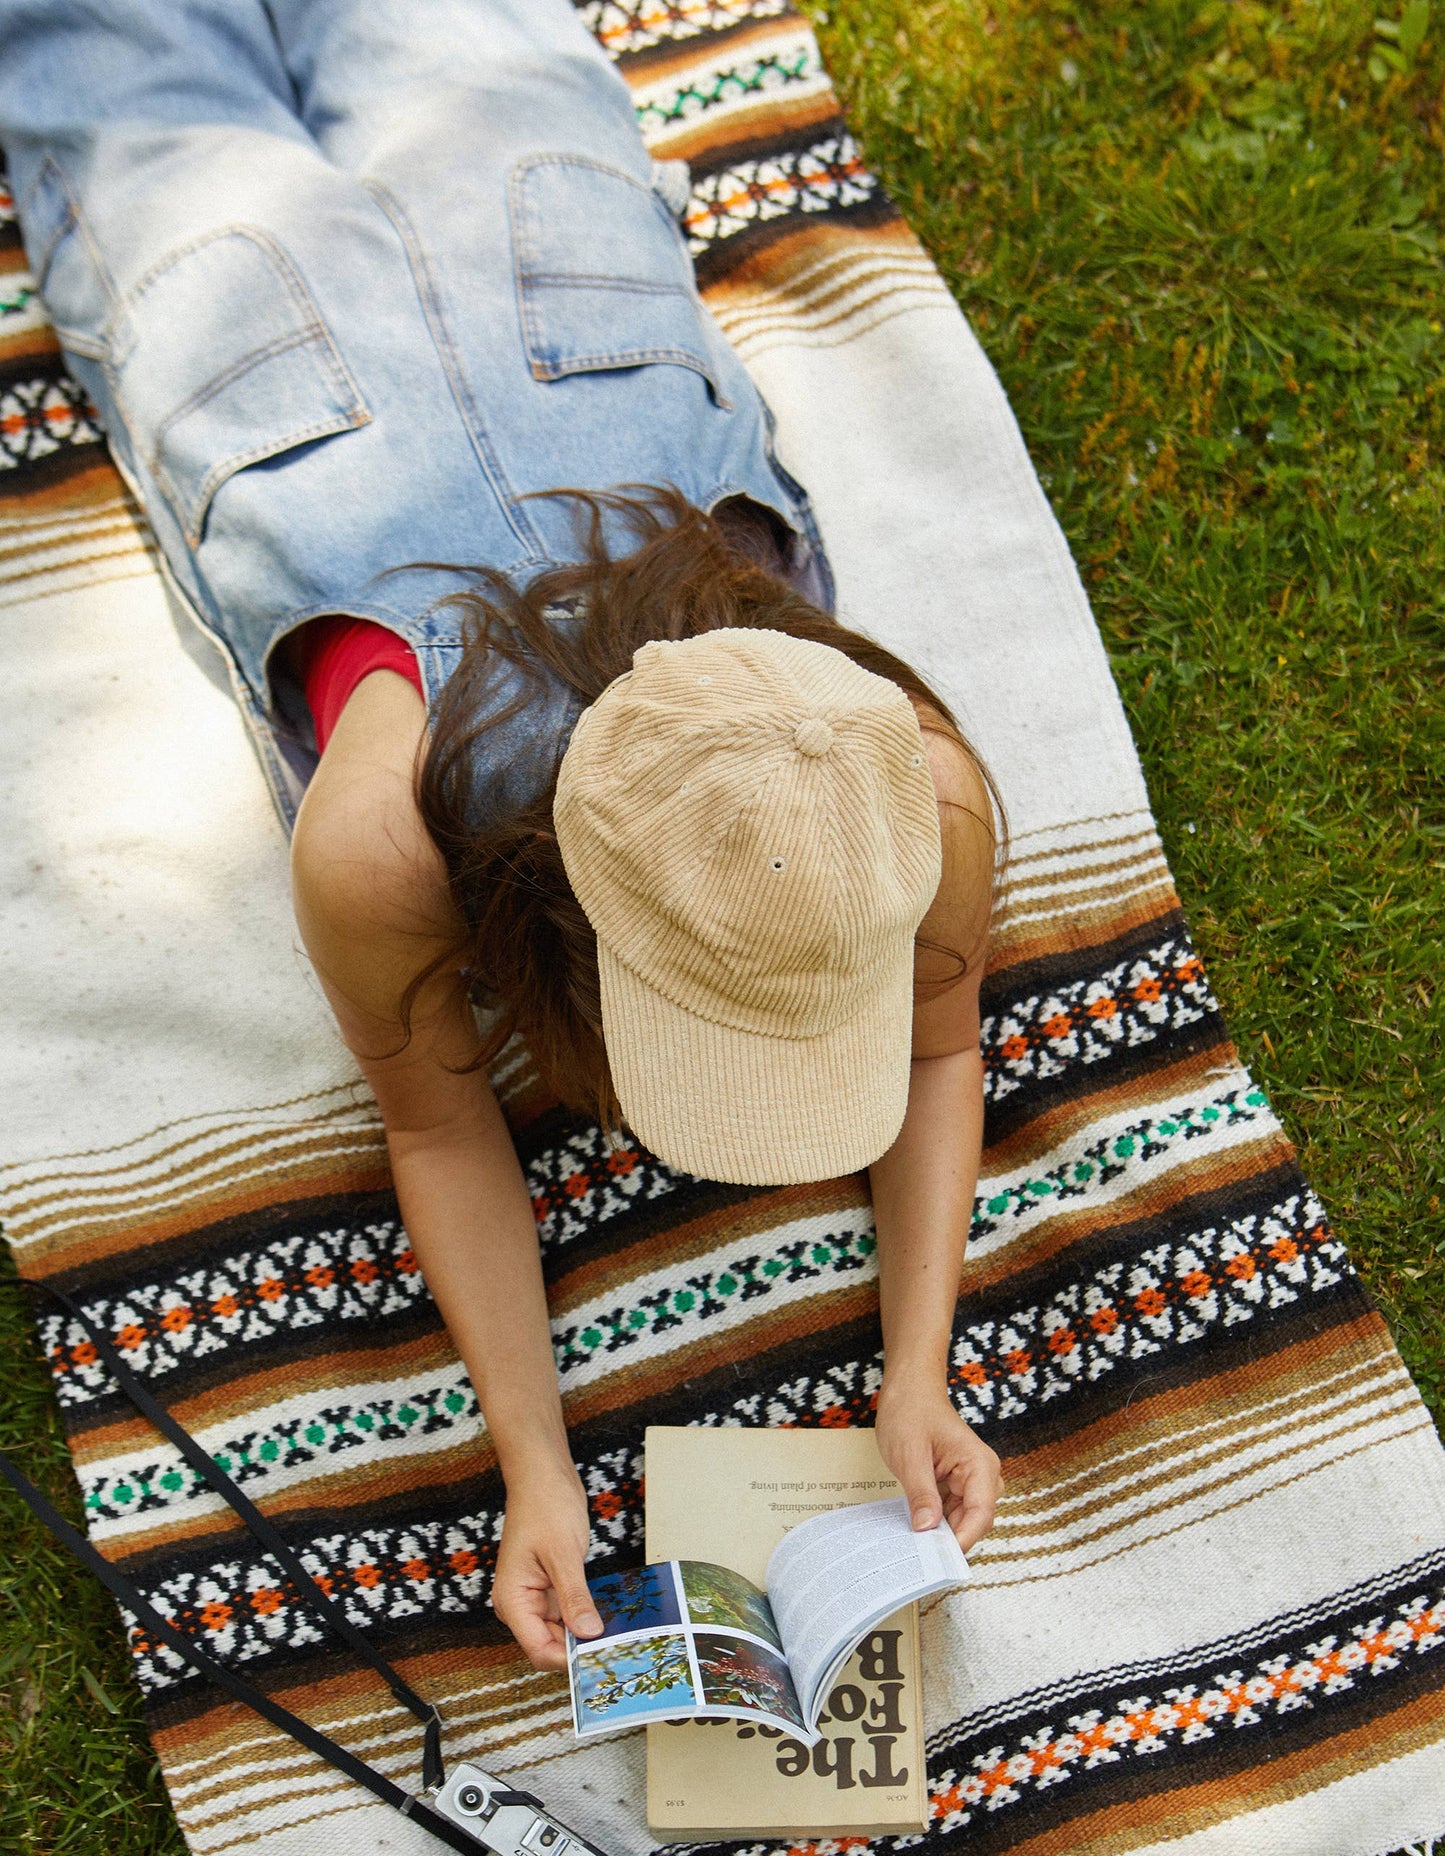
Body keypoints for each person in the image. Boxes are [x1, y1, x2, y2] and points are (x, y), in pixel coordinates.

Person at [2, 0, 1004, 1673]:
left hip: (528, 245)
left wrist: (920, 1364)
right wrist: (530, 1463)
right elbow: (439, 1122)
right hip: (268, 329)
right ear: (544, 924)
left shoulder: (909, 780)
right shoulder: (386, 840)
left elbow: (935, 1039)